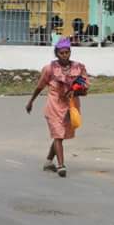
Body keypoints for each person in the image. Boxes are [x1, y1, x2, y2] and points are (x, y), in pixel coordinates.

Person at [26, 37, 89, 178]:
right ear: (56, 53)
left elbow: (85, 88)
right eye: (62, 53)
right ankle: (61, 165)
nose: (65, 55)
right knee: (58, 134)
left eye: (67, 52)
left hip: (71, 106)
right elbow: (40, 86)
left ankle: (49, 162)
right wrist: (31, 102)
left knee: (60, 135)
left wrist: (76, 90)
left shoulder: (79, 67)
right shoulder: (49, 69)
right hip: (54, 104)